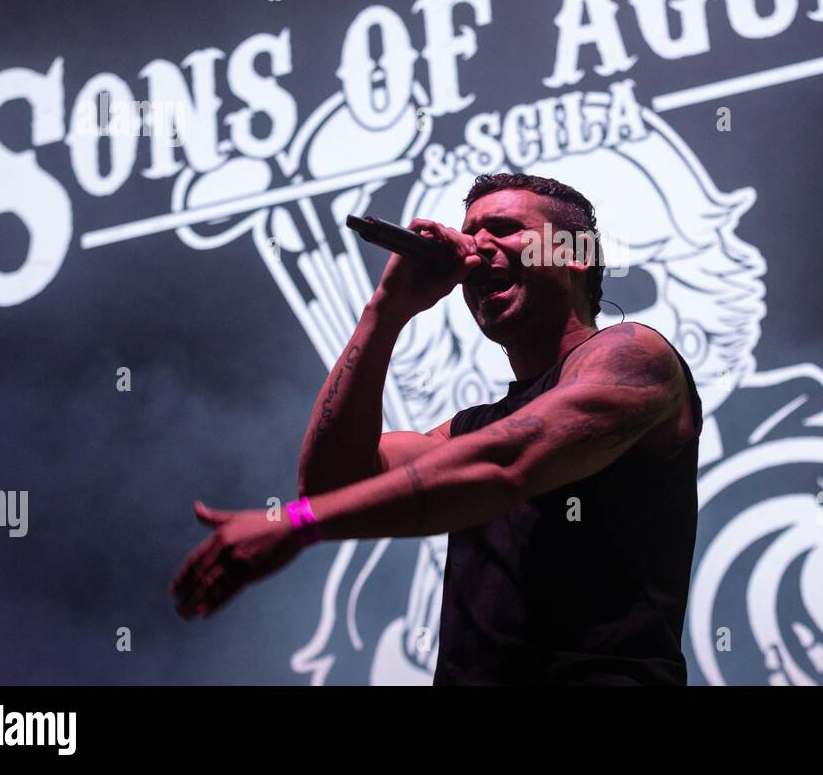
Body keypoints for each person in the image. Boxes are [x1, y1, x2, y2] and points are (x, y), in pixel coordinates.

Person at [170, 173, 703, 684]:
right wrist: (387, 310)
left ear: (577, 255)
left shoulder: (635, 355)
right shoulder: (475, 428)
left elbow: (508, 464)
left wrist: (300, 525)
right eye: (471, 235)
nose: (477, 248)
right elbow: (333, 484)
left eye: (506, 229)